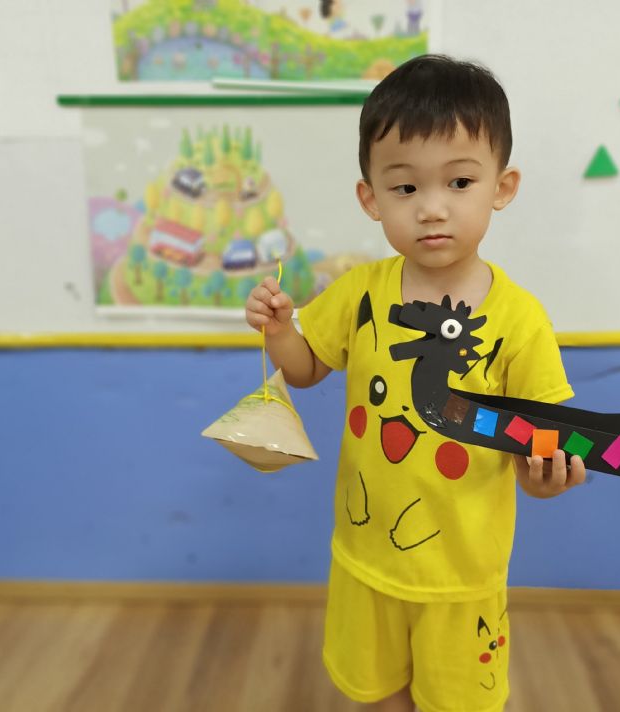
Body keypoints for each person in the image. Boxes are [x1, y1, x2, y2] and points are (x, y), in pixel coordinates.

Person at [245, 54, 586, 712]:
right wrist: (280, 330)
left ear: (502, 187)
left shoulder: (520, 321)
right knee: (376, 693)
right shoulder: (359, 292)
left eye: (459, 181)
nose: (432, 209)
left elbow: (539, 445)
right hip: (365, 558)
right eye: (405, 188)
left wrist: (545, 477)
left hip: (463, 578)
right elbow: (306, 370)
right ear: (370, 198)